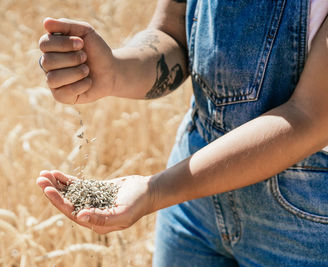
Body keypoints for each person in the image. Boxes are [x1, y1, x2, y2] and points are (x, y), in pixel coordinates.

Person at [36, 0, 328, 265]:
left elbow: (310, 119)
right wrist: (115, 70)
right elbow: (173, 34)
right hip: (191, 204)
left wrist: (156, 191)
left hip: (304, 223)